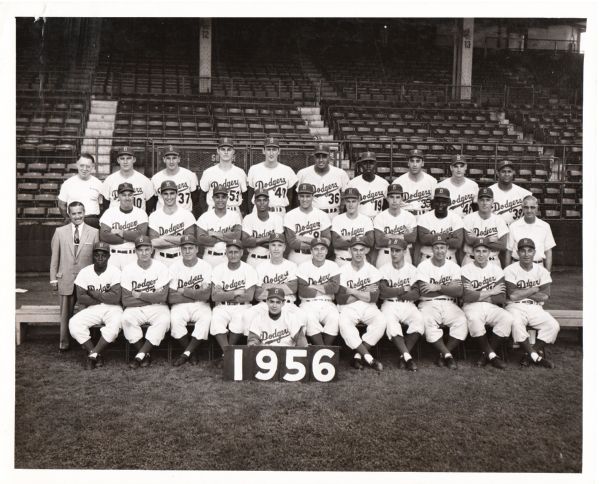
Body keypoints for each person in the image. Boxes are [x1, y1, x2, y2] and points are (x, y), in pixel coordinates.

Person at [50, 201, 99, 351]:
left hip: (86, 282)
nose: (77, 216)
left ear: (84, 213)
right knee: (65, 314)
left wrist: (96, 280)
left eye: (80, 213)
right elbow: (55, 257)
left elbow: (96, 259)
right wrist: (53, 278)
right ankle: (64, 343)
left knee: (87, 313)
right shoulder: (60, 232)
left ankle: (86, 344)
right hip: (66, 278)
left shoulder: (94, 232)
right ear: (69, 215)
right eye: (74, 213)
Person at [504, 238, 559, 368]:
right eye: (523, 251)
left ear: (534, 253)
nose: (526, 254)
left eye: (530, 251)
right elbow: (512, 296)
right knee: (516, 323)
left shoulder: (542, 271)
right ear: (518, 253)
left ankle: (529, 355)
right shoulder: (510, 270)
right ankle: (536, 356)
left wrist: (523, 291)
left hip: (535, 307)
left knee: (553, 325)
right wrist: (534, 289)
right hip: (515, 306)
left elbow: (545, 296)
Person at [416, 235, 467, 370]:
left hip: (449, 303)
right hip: (428, 303)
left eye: (442, 248)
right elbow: (423, 292)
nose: (439, 251)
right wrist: (448, 287)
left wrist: (438, 287)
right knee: (426, 321)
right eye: (437, 248)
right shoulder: (423, 266)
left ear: (447, 249)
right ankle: (448, 355)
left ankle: (443, 354)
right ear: (432, 249)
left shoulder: (454, 266)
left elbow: (459, 292)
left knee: (461, 320)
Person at [68, 242, 123, 369]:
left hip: (113, 308)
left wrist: (93, 293)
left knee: (115, 325)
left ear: (109, 257)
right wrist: (103, 298)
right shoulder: (84, 272)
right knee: (74, 323)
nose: (100, 257)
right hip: (93, 308)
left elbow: (115, 298)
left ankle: (92, 355)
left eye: (103, 255)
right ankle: (95, 353)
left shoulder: (115, 271)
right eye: (97, 254)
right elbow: (81, 297)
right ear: (92, 256)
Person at [121, 235, 171, 369]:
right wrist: (151, 297)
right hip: (136, 308)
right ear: (135, 251)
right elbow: (125, 299)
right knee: (126, 319)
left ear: (152, 250)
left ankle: (139, 355)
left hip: (158, 307)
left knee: (164, 320)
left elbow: (162, 297)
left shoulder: (161, 267)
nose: (143, 253)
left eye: (146, 249)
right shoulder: (128, 269)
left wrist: (140, 295)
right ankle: (145, 354)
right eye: (140, 250)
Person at [461, 238, 512, 369]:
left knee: (507, 318)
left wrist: (478, 294)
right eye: (478, 251)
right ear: (473, 252)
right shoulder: (465, 269)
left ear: (489, 253)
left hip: (492, 306)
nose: (481, 254)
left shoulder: (496, 269)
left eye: (484, 251)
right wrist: (492, 291)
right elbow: (467, 296)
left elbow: (501, 297)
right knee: (474, 319)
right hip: (471, 307)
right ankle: (492, 356)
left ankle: (486, 354)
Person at [337, 237, 386, 371]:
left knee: (381, 321)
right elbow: (341, 298)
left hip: (368, 306)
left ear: (366, 251)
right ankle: (370, 359)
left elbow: (373, 298)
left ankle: (358, 356)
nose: (358, 253)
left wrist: (351, 291)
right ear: (349, 251)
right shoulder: (342, 270)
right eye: (355, 250)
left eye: (361, 250)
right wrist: (364, 291)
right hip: (348, 307)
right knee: (344, 324)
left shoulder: (373, 270)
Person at [210, 239, 258, 366]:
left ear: (242, 252)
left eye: (236, 252)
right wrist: (235, 292)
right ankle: (228, 354)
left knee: (239, 322)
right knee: (216, 321)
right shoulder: (218, 269)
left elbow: (249, 296)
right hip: (222, 307)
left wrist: (224, 294)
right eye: (230, 252)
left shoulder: (249, 269)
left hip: (243, 306)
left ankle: (226, 355)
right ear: (226, 253)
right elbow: (214, 297)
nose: (233, 255)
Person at [379, 239, 423, 371]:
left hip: (408, 304)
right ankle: (408, 358)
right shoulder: (384, 269)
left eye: (397, 250)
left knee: (419, 321)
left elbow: (416, 294)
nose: (394, 253)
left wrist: (394, 292)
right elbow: (383, 292)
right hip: (389, 305)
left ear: (404, 251)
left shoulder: (412, 270)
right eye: (392, 250)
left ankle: (403, 355)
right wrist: (403, 289)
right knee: (392, 325)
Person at [169, 235, 213, 367]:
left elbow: (206, 295)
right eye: (184, 248)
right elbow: (171, 297)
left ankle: (186, 353)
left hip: (200, 305)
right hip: (180, 305)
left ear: (196, 249)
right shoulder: (174, 267)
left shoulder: (205, 266)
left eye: (190, 248)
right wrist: (196, 293)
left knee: (205, 319)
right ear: (180, 250)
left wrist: (184, 291)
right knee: (175, 321)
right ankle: (191, 353)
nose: (187, 251)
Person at [296, 237, 341, 346]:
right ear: (311, 251)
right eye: (316, 249)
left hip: (328, 303)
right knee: (309, 318)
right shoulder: (303, 266)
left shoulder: (333, 265)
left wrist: (313, 286)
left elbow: (335, 288)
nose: (319, 252)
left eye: (322, 249)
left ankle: (320, 349)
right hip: (308, 303)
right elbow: (303, 291)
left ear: (326, 251)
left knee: (335, 318)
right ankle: (324, 350)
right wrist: (326, 287)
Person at [99, 182, 149, 270]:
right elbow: (104, 236)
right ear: (118, 196)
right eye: (124, 195)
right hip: (113, 256)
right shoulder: (109, 212)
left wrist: (120, 232)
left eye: (130, 195)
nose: (127, 198)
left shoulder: (141, 213)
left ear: (133, 196)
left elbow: (141, 235)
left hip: (133, 255)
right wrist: (127, 239)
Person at [148, 180, 196, 267]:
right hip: (160, 259)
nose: (169, 197)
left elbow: (190, 240)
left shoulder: (187, 214)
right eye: (165, 194)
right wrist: (180, 240)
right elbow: (154, 242)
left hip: (180, 258)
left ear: (176, 194)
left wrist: (165, 237)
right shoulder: (154, 216)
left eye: (172, 193)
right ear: (161, 195)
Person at [296, 143, 350, 221]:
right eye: (318, 156)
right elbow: (297, 198)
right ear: (314, 157)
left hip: (333, 215)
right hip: (311, 215)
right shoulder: (303, 173)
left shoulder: (340, 173)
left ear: (329, 157)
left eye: (324, 156)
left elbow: (345, 198)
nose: (321, 160)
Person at [195, 185, 243, 268]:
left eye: (223, 197)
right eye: (217, 197)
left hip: (228, 258)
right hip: (210, 258)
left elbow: (237, 236)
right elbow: (201, 239)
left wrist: (214, 234)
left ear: (227, 198)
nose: (220, 200)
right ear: (213, 198)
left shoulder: (235, 216)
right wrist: (227, 236)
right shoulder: (205, 216)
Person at [247, 137, 297, 215]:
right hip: (258, 212)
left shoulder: (287, 170)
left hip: (279, 212)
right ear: (263, 151)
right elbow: (249, 196)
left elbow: (291, 197)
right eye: (268, 149)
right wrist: (251, 214)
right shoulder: (254, 169)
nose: (271, 153)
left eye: (274, 149)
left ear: (279, 151)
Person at [284, 183, 331, 265]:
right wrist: (317, 244)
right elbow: (292, 242)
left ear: (313, 196)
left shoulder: (322, 215)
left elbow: (327, 241)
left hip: (316, 258)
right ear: (298, 197)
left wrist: (302, 238)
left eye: (308, 196)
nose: (304, 199)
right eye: (302, 196)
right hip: (296, 257)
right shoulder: (290, 215)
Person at [506, 195, 556, 271]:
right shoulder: (513, 226)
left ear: (537, 208)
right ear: (522, 208)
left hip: (538, 267)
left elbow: (548, 252)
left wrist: (548, 272)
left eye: (532, 207)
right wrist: (507, 272)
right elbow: (508, 251)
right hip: (516, 267)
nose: (529, 210)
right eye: (526, 207)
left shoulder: (545, 226)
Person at [198, 137, 247, 214]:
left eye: (229, 149)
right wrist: (206, 212)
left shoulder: (240, 172)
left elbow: (245, 196)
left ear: (233, 151)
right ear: (218, 151)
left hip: (234, 211)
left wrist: (243, 212)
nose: (226, 152)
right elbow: (201, 197)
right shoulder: (208, 172)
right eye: (223, 149)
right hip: (213, 211)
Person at [373, 183, 417, 267]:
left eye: (397, 197)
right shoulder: (379, 217)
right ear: (387, 198)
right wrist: (403, 236)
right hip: (385, 254)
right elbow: (379, 241)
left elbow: (412, 238)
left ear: (402, 198)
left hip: (404, 254)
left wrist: (390, 236)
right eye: (391, 197)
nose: (394, 200)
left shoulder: (409, 216)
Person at [462, 187, 508, 267]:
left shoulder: (499, 220)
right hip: (470, 261)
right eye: (482, 200)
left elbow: (503, 245)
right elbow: (469, 241)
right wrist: (490, 240)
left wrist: (477, 239)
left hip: (492, 262)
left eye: (488, 200)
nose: (484, 203)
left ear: (492, 201)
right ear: (478, 201)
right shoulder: (468, 218)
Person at [101, 146, 155, 213]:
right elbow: (106, 206)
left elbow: (150, 206)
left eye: (128, 158)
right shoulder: (109, 180)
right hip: (116, 220)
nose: (125, 162)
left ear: (134, 160)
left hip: (138, 219)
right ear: (118, 160)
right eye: (122, 158)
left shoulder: (145, 181)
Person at [416, 187, 464, 264]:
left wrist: (433, 237)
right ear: (433, 202)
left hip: (449, 259)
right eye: (437, 202)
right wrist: (447, 236)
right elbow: (423, 239)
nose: (440, 205)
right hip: (428, 259)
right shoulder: (424, 218)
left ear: (449, 203)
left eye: (444, 202)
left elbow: (458, 243)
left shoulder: (456, 218)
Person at [150, 145, 200, 217]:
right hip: (163, 217)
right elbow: (154, 202)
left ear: (179, 159)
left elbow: (195, 199)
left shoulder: (190, 175)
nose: (171, 161)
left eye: (174, 158)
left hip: (184, 216)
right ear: (164, 159)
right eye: (168, 158)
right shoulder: (156, 178)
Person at [241, 188, 284, 269]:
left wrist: (254, 241)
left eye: (264, 200)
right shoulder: (248, 218)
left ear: (268, 201)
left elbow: (279, 244)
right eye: (259, 200)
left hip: (271, 260)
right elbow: (245, 243)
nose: (262, 203)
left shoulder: (277, 218)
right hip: (253, 260)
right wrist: (268, 238)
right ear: (255, 202)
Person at [58, 153, 103, 228]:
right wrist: (68, 219)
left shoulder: (98, 184)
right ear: (77, 165)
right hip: (74, 221)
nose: (84, 169)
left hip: (92, 221)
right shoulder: (68, 183)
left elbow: (102, 205)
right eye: (82, 165)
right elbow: (61, 204)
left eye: (88, 166)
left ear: (92, 167)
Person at [331, 187, 374, 266]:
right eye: (348, 201)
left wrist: (347, 238)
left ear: (358, 201)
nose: (351, 205)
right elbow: (336, 243)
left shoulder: (366, 220)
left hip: (361, 262)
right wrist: (361, 239)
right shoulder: (337, 219)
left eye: (354, 201)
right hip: (341, 261)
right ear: (344, 202)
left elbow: (370, 242)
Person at [392, 149, 437, 216]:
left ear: (422, 163)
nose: (415, 164)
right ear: (408, 163)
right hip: (406, 218)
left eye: (418, 161)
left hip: (425, 218)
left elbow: (435, 205)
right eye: (412, 161)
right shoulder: (398, 182)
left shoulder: (432, 181)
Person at [489, 159, 532, 226]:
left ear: (513, 173)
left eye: (509, 171)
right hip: (495, 230)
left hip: (517, 231)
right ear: (497, 173)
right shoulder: (489, 191)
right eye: (503, 171)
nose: (506, 174)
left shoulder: (524, 194)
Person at [347, 151, 389, 219]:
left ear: (375, 164)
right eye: (365, 163)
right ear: (361, 165)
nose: (368, 166)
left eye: (371, 163)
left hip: (377, 220)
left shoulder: (384, 183)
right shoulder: (352, 183)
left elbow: (387, 206)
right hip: (359, 220)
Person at [436, 154, 479, 218]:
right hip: (449, 223)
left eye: (461, 166)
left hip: (467, 223)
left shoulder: (473, 185)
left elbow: (476, 209)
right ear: (451, 168)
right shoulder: (441, 186)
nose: (459, 169)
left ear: (466, 167)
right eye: (456, 166)